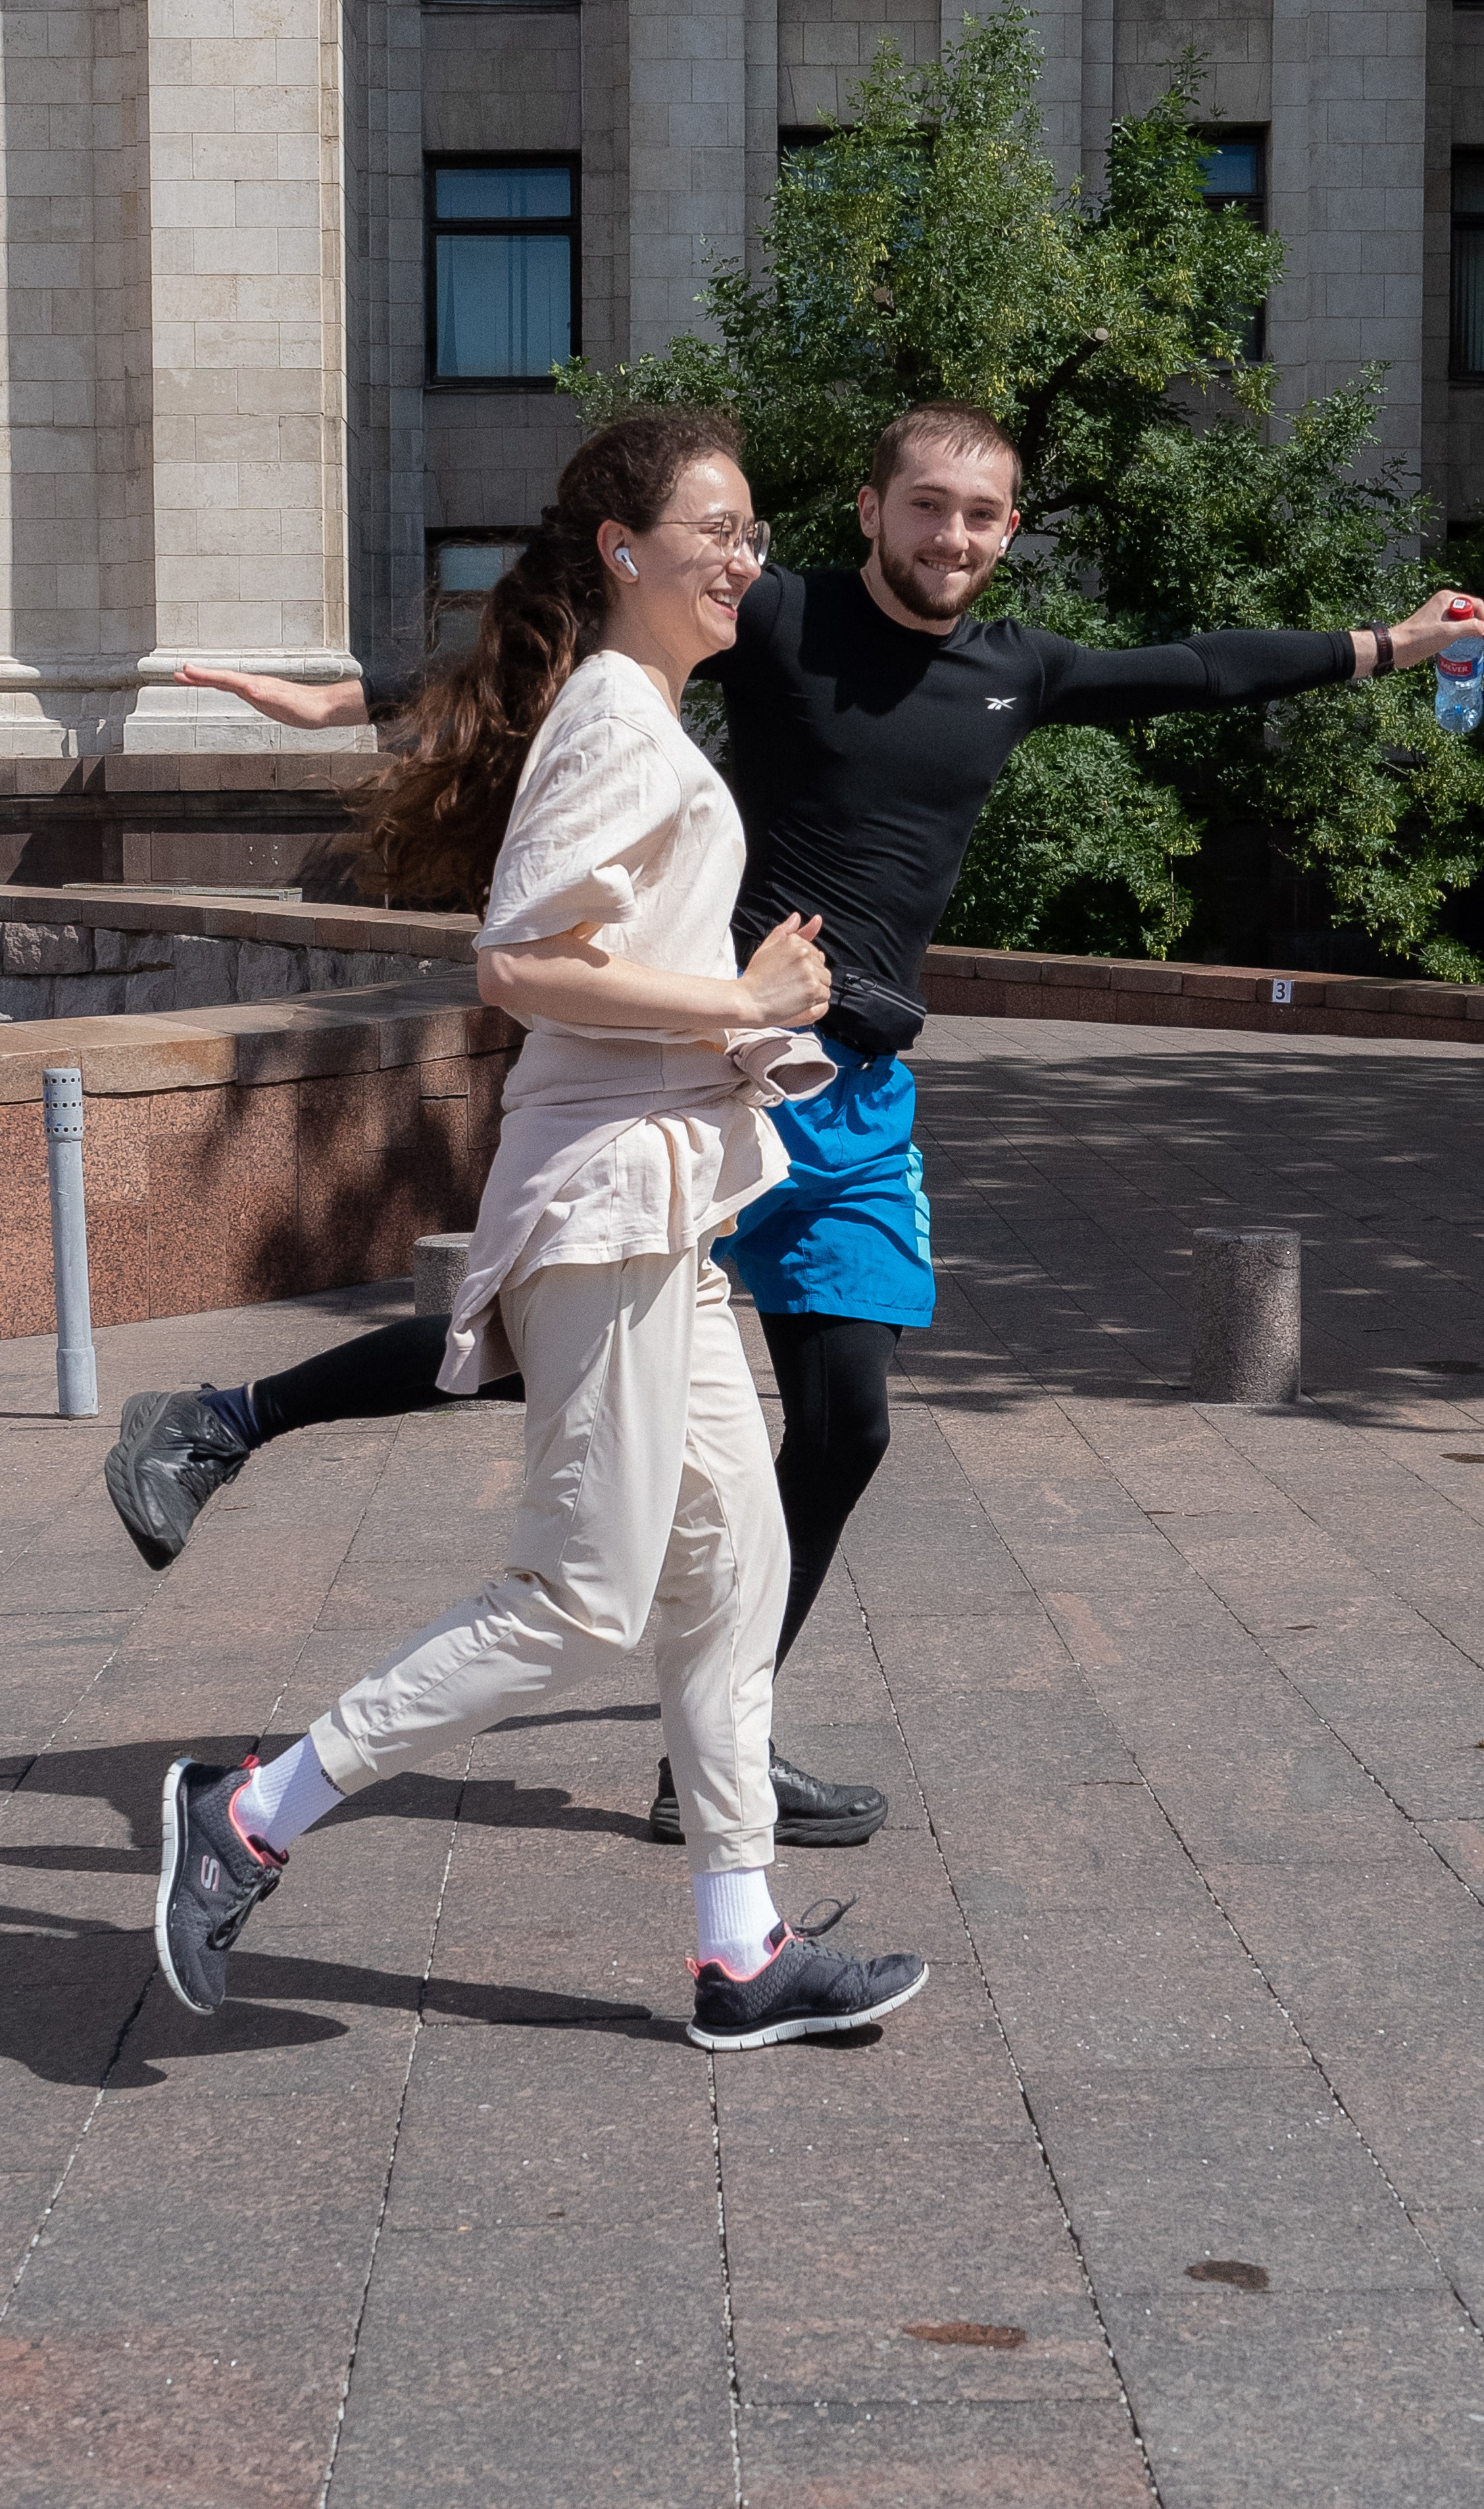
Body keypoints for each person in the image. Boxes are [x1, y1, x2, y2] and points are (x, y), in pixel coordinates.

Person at [116, 399, 1484, 1852]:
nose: (952, 535)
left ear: (1009, 531)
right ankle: (220, 1419)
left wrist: (1394, 646)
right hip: (711, 1065)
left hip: (855, 1106)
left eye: (981, 514)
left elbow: (1201, 669)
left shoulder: (1018, 668)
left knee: (842, 1428)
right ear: (871, 510)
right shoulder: (772, 615)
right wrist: (348, 706)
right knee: (534, 1352)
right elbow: (561, 638)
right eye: (927, 506)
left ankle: (719, 1749)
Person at [153, 407, 928, 2050]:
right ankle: (253, 1813)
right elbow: (522, 957)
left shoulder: (640, 715)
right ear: (624, 553)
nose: (745, 558)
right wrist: (737, 995)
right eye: (713, 530)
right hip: (607, 1209)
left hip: (668, 1201)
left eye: (756, 534)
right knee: (582, 1597)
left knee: (737, 1564)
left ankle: (742, 1946)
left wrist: (750, 1031)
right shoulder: (615, 719)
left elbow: (599, 969)